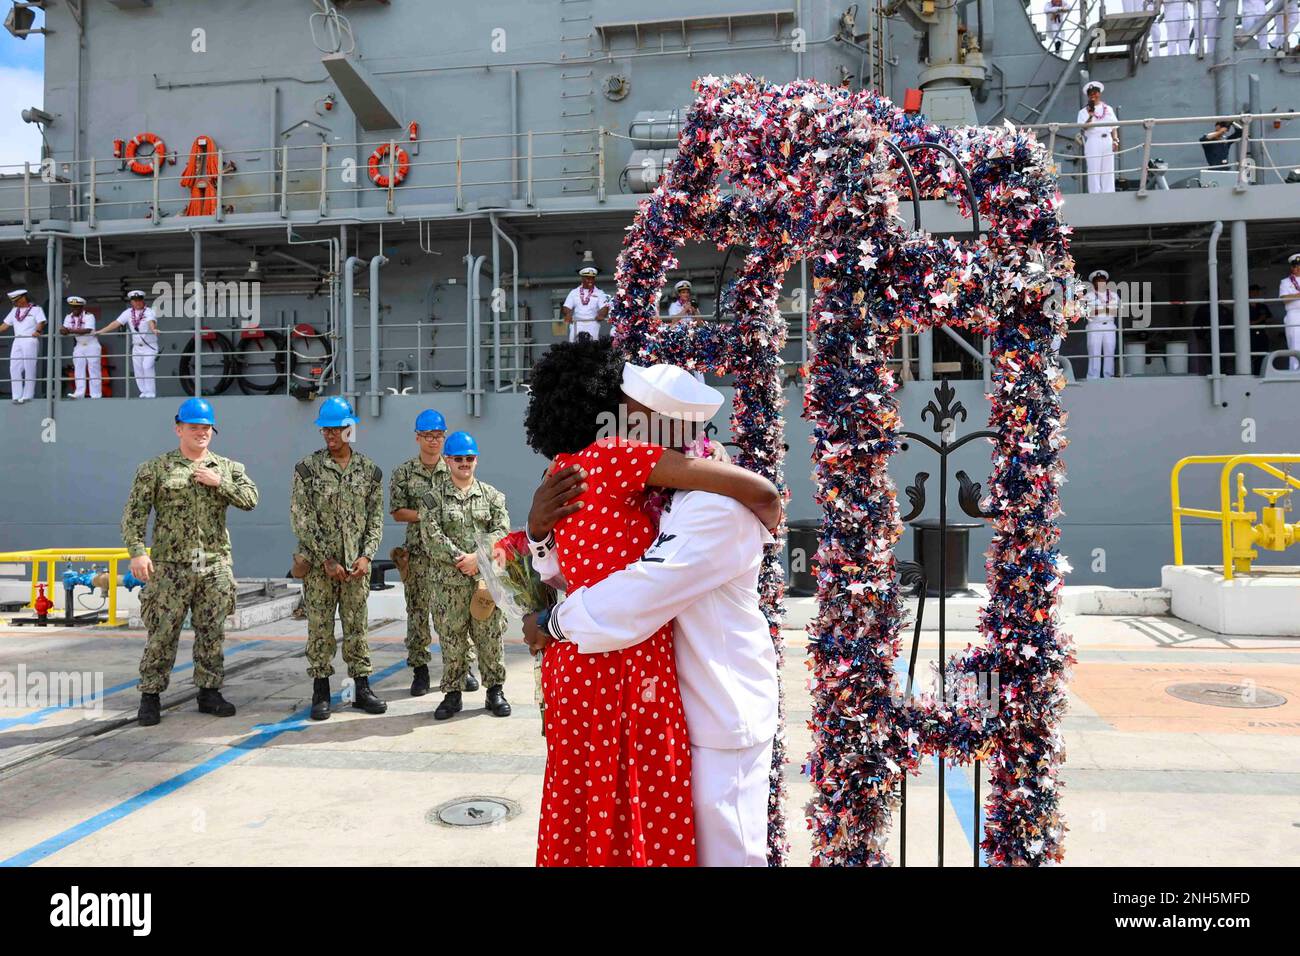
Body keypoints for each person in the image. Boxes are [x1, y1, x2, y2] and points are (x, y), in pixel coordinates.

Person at [520, 336, 781, 867]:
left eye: (629, 416)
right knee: (625, 816)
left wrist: (552, 624)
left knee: (715, 849)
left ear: (664, 427)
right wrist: (537, 528)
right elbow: (564, 566)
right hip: (640, 682)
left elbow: (637, 595)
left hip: (712, 706)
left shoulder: (710, 508)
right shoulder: (645, 491)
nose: (615, 425)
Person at [122, 398, 259, 726]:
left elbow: (251, 499)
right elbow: (135, 513)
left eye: (206, 428)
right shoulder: (155, 469)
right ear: (178, 428)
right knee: (162, 631)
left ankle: (209, 692)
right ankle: (151, 695)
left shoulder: (226, 467)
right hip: (170, 566)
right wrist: (138, 552)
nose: (201, 433)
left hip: (212, 564)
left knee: (212, 630)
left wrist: (220, 484)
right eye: (194, 427)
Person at [291, 396, 388, 721]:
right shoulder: (307, 470)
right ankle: (321, 691)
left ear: (350, 429)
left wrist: (366, 556)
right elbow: (301, 519)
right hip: (322, 570)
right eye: (326, 430)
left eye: (336, 430)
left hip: (356, 570)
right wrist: (326, 560)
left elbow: (376, 519)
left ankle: (361, 688)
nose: (330, 435)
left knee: (357, 627)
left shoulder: (370, 472)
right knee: (319, 629)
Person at [418, 431, 511, 720]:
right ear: (447, 460)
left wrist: (477, 559)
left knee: (490, 637)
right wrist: (464, 560)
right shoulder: (432, 500)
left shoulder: (493, 496)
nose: (464, 463)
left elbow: (502, 532)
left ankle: (494, 691)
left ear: (476, 460)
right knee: (451, 639)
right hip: (449, 586)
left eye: (469, 458)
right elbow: (432, 537)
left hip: (484, 584)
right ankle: (452, 694)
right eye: (458, 458)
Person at [389, 409, 480, 696]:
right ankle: (420, 669)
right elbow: (397, 512)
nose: (433, 441)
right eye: (428, 436)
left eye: (438, 436)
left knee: (457, 614)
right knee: (417, 612)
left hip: (449, 555)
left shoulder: (454, 466)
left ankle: (462, 667)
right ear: (418, 438)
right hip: (417, 555)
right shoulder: (403, 473)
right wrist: (428, 516)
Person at [96, 290, 159, 398]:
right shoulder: (128, 312)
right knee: (138, 370)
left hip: (150, 346)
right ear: (131, 302)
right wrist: (100, 331)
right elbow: (116, 323)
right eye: (135, 301)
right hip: (137, 347)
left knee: (147, 366)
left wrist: (153, 329)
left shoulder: (149, 311)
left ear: (143, 300)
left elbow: (151, 322)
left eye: (139, 300)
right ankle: (143, 391)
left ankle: (151, 393)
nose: (137, 303)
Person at [1, 288, 46, 404]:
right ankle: (16, 395)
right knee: (14, 367)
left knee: (29, 366)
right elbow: (5, 325)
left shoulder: (36, 309)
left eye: (16, 301)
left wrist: (38, 331)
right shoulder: (14, 311)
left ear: (23, 298)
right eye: (13, 301)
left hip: (29, 339)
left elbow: (41, 322)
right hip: (17, 340)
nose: (15, 303)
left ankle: (27, 395)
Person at [1078, 81, 1119, 194]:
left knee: (1108, 170)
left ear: (1099, 93)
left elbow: (1114, 126)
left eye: (1095, 92)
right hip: (1093, 140)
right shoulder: (1083, 112)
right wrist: (1090, 116)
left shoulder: (1108, 109)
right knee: (1093, 170)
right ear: (1088, 95)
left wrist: (1115, 140)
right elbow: (1084, 128)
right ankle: (1095, 194)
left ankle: (1109, 193)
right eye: (1090, 93)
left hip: (1107, 140)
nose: (1093, 95)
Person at [60, 295, 103, 400]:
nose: (74, 309)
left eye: (77, 307)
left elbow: (87, 330)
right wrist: (63, 330)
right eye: (73, 307)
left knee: (94, 369)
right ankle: (79, 393)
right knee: (78, 369)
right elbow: (63, 330)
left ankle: (96, 395)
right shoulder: (68, 317)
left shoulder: (89, 316)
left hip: (91, 344)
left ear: (82, 307)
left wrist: (69, 330)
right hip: (79, 345)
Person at [1085, 269, 1120, 379]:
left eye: (1102, 280)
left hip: (1109, 325)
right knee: (1094, 352)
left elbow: (1114, 310)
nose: (1100, 283)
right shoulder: (1089, 296)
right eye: (1097, 281)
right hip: (1094, 325)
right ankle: (1093, 376)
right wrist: (1104, 309)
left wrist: (1099, 309)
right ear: (1093, 283)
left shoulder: (1113, 295)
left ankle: (1108, 376)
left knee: (1110, 351)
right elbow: (1089, 312)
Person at [561, 266, 610, 342]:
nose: (590, 280)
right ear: (582, 278)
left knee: (593, 347)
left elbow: (604, 307)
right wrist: (568, 314)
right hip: (577, 323)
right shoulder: (574, 292)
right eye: (588, 278)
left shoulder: (600, 293)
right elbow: (566, 307)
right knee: (574, 346)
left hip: (592, 323)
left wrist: (602, 315)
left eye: (592, 278)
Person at [1279, 252, 1300, 371]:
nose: (1296, 268)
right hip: (1294, 315)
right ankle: (1295, 370)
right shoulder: (1286, 282)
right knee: (1295, 344)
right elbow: (1284, 299)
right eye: (1294, 266)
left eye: (1298, 266)